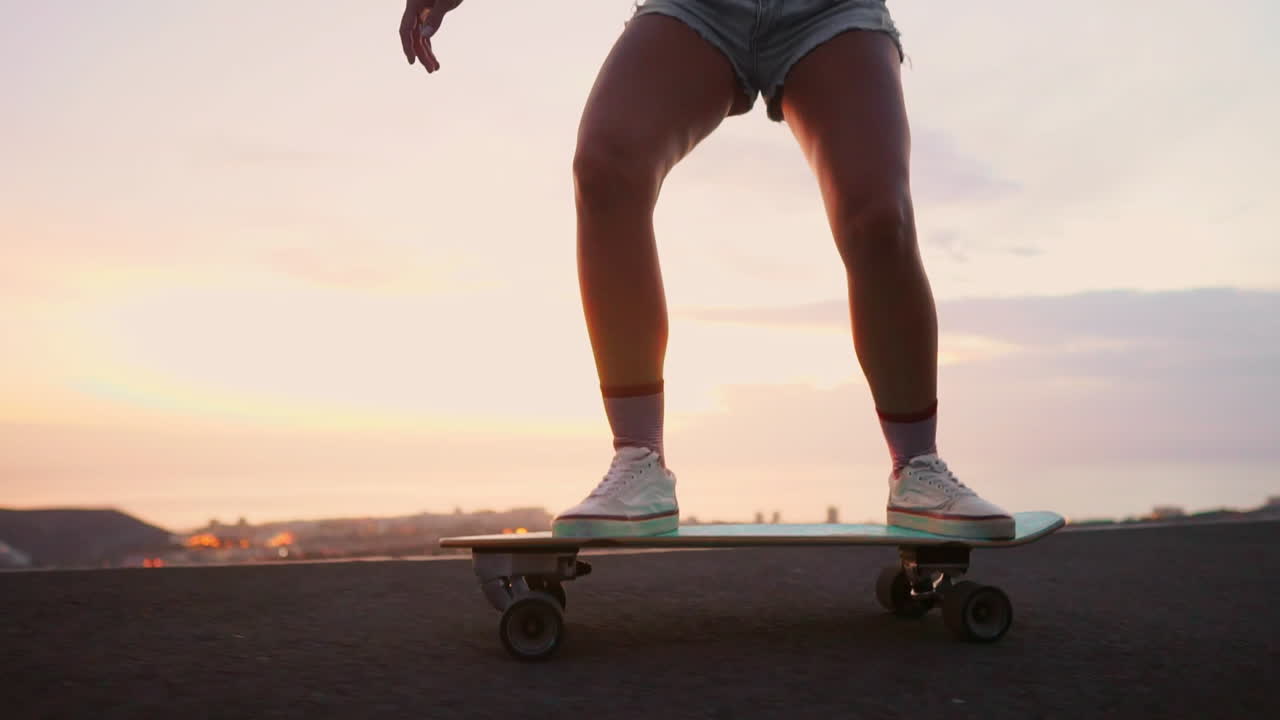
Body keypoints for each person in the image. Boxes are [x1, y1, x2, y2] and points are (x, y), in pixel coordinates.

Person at [400, 0, 1015, 540]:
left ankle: (919, 470)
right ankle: (638, 462)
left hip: (832, 10)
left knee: (879, 215)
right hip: (695, 7)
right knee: (607, 167)